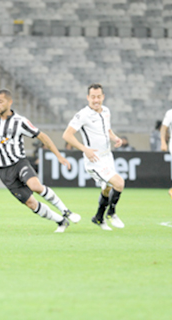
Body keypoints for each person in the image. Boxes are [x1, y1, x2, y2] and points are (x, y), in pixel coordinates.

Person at [0, 89, 81, 233]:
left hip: (19, 163)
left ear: (10, 102)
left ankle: (66, 211)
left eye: (0, 101)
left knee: (35, 186)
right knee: (31, 203)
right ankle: (61, 221)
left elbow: (42, 136)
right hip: (3, 170)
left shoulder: (20, 122)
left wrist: (59, 155)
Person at [62, 83, 126, 231]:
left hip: (107, 156)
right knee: (119, 183)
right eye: (93, 97)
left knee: (107, 188)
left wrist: (115, 138)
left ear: (103, 97)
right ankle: (111, 213)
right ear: (87, 98)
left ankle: (98, 217)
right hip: (94, 160)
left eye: (98, 97)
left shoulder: (106, 111)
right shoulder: (82, 115)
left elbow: (107, 130)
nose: (96, 100)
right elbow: (67, 135)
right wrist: (85, 149)